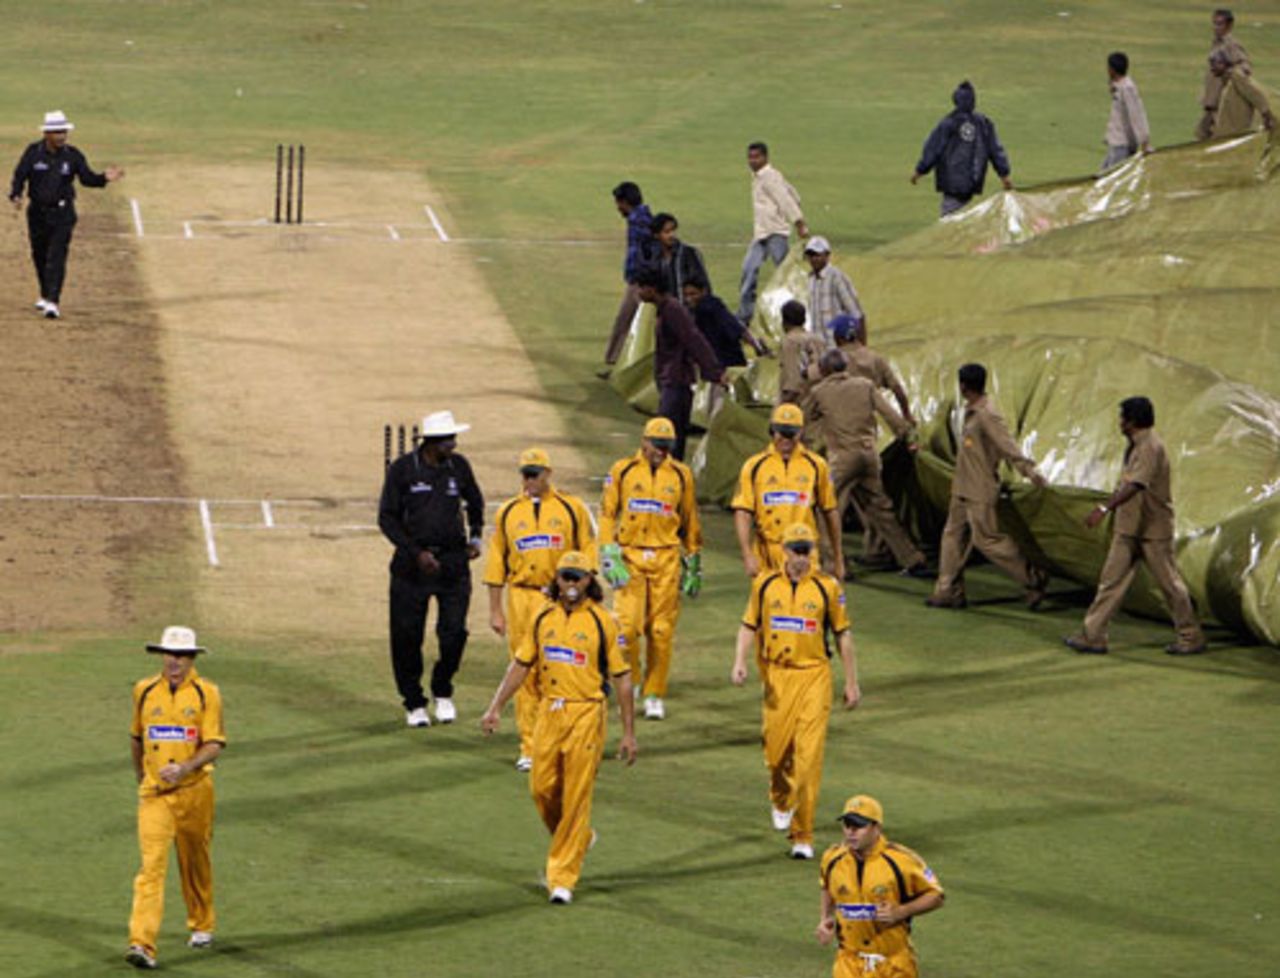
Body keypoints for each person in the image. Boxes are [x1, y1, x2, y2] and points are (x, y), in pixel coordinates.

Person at [481, 551, 637, 904]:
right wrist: (496, 707)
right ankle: (578, 839)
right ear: (558, 579)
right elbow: (521, 665)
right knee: (542, 788)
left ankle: (561, 877)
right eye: (565, 577)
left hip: (587, 714)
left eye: (577, 577)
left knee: (577, 795)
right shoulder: (542, 617)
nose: (570, 583)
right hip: (549, 712)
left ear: (589, 581)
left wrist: (628, 732)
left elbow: (623, 678)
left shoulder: (603, 622)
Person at [731, 523, 860, 859]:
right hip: (777, 677)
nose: (802, 558)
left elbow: (843, 635)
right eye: (796, 551)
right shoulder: (765, 585)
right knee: (776, 754)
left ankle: (803, 834)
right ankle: (780, 796)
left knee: (809, 759)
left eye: (807, 551)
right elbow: (749, 625)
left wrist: (851, 681)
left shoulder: (827, 588)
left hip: (814, 676)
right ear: (783, 551)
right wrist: (740, 662)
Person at [1065, 397, 1208, 656]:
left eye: (1122, 418)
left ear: (1131, 421)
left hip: (1152, 530)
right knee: (1110, 582)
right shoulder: (1135, 445)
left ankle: (1191, 636)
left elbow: (1136, 485)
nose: (1119, 422)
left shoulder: (1150, 447)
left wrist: (1104, 508)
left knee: (1170, 585)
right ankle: (1093, 635)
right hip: (1129, 528)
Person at [484, 448, 597, 771]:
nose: (529, 480)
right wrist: (495, 610)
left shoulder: (571, 508)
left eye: (535, 473)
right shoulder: (507, 512)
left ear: (549, 473)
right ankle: (530, 748)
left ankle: (564, 741)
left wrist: (583, 594)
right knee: (525, 671)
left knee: (564, 670)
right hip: (521, 598)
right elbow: (496, 564)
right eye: (525, 474)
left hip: (560, 599)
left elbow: (587, 552)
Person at [125, 626, 227, 971]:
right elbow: (136, 737)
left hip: (195, 791)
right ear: (161, 656)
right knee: (151, 869)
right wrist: (144, 779)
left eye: (182, 656)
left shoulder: (206, 693)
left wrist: (185, 768)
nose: (175, 662)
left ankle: (202, 923)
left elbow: (214, 743)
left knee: (195, 859)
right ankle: (142, 943)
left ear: (192, 659)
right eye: (170, 655)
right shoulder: (144, 691)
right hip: (155, 795)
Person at [378, 410, 484, 727]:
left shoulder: (459, 466)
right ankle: (414, 702)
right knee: (407, 636)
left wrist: (476, 537)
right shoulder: (402, 470)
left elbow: (476, 503)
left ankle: (442, 689)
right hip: (411, 568)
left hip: (453, 563)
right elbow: (387, 518)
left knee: (454, 633)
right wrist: (416, 552)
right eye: (448, 440)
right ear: (432, 442)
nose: (454, 445)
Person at [598, 416, 703, 720]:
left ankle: (654, 693)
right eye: (656, 445)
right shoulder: (623, 471)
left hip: (666, 558)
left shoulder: (681, 475)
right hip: (630, 557)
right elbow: (607, 513)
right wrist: (608, 552)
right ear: (644, 442)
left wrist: (694, 560)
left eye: (666, 446)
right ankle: (631, 679)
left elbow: (689, 519)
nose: (661, 451)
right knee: (627, 627)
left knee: (660, 630)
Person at [925, 363, 1050, 610]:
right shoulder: (972, 411)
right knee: (952, 536)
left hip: (980, 487)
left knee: (987, 540)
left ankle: (1034, 578)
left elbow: (1007, 445)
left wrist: (1028, 469)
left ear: (963, 386)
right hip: (963, 485)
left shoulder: (986, 414)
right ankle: (948, 590)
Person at [805, 350, 930, 579]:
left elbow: (802, 419)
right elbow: (891, 416)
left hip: (841, 460)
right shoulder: (865, 385)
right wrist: (908, 437)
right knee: (882, 510)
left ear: (824, 370)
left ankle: (835, 565)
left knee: (827, 511)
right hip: (870, 457)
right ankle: (912, 559)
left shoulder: (819, 391)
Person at [9, 110, 124, 320]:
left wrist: (104, 178)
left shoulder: (73, 155)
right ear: (46, 133)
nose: (61, 136)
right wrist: (16, 194)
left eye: (63, 131)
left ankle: (53, 301)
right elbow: (20, 175)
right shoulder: (33, 152)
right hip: (36, 213)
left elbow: (87, 178)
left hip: (63, 213)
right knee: (40, 254)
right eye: (57, 132)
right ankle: (45, 294)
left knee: (56, 255)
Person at [816, 795, 945, 978]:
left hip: (892, 965)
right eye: (847, 825)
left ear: (876, 827)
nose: (851, 832)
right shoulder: (832, 858)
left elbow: (936, 895)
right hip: (848, 963)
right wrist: (825, 917)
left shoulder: (901, 860)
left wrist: (902, 911)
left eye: (858, 826)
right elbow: (827, 885)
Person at [828, 314, 919, 571]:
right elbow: (898, 390)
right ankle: (891, 553)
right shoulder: (874, 359)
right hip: (870, 440)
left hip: (841, 443)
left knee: (827, 505)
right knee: (875, 503)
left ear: (838, 336)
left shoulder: (835, 362)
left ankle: (833, 563)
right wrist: (907, 417)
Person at [732, 403, 843, 579]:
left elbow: (830, 510)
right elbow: (743, 512)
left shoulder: (816, 465)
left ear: (800, 432)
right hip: (766, 553)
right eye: (781, 432)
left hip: (804, 554)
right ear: (771, 431)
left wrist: (838, 558)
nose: (786, 439)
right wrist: (747, 555)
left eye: (791, 434)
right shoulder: (754, 466)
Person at [635, 266, 726, 462]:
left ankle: (671, 476)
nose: (638, 292)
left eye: (641, 287)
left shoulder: (673, 310)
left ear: (652, 289)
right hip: (672, 381)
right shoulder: (666, 309)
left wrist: (714, 372)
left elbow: (694, 340)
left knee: (666, 435)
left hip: (677, 382)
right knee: (671, 434)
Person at [911, 81, 1013, 217]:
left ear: (955, 100)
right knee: (963, 212)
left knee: (949, 218)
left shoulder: (948, 122)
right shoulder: (983, 123)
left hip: (951, 179)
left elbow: (933, 148)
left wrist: (920, 170)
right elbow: (995, 150)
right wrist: (1004, 175)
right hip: (973, 179)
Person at [739, 141, 809, 324]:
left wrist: (798, 222)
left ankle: (799, 312)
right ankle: (744, 316)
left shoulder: (769, 176)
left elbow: (786, 199)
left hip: (776, 233)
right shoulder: (760, 176)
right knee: (749, 269)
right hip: (761, 234)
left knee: (784, 274)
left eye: (756, 157)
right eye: (750, 157)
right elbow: (794, 193)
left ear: (765, 157)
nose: (752, 161)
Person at [601, 181, 653, 375]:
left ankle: (623, 367)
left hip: (642, 282)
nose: (617, 207)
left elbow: (646, 251)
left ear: (625, 202)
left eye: (618, 203)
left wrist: (644, 277)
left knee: (631, 323)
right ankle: (617, 365)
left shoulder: (640, 222)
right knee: (625, 322)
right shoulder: (638, 218)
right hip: (637, 280)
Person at [682, 277, 769, 370]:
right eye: (685, 295)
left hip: (725, 362)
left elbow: (735, 328)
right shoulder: (704, 308)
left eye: (693, 294)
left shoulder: (709, 308)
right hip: (725, 361)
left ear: (703, 291)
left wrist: (756, 346)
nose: (688, 299)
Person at [1196, 8, 1252, 141]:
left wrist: (1228, 71)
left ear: (1229, 26)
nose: (1215, 27)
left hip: (1220, 105)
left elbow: (1245, 67)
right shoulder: (1217, 43)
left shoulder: (1230, 45)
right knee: (1201, 135)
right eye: (1214, 23)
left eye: (1219, 24)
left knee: (1213, 140)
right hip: (1211, 103)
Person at [804, 237, 864, 345]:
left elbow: (857, 315)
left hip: (838, 349)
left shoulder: (837, 277)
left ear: (827, 256)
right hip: (818, 350)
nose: (813, 259)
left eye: (817, 255)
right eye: (811, 255)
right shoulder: (810, 279)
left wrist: (862, 348)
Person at [1206, 49, 1275, 138]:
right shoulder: (1228, 80)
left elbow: (1254, 93)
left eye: (1213, 64)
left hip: (1235, 134)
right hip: (1228, 134)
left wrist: (1266, 114)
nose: (1211, 69)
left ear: (1223, 64)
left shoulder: (1236, 76)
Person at [1102, 52, 1152, 171]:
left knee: (1109, 177)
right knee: (1103, 174)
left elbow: (1136, 115)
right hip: (1116, 142)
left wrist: (1144, 141)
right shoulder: (1120, 85)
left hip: (1122, 144)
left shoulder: (1127, 88)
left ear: (1112, 69)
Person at [649, 212, 709, 299]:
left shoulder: (689, 254)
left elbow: (703, 286)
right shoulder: (655, 257)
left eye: (673, 230)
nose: (672, 235)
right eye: (667, 232)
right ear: (656, 235)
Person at [778, 299, 826, 406]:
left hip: (801, 404)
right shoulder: (818, 340)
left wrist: (782, 408)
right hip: (821, 400)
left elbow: (792, 384)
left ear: (784, 322)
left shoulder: (790, 342)